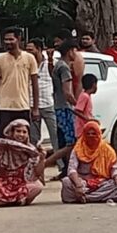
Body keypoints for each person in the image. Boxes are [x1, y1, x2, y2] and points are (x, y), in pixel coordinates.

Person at [0, 119, 45, 208]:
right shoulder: (2, 146)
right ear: (11, 132)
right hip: (3, 182)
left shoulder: (31, 150)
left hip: (21, 184)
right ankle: (15, 201)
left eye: (24, 132)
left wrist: (42, 159)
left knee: (38, 186)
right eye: (18, 131)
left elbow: (37, 173)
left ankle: (2, 202)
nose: (21, 134)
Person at [0, 27, 39, 137]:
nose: (8, 42)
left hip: (23, 107)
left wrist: (35, 108)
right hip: (5, 107)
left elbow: (35, 84)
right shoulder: (0, 60)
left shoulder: (29, 58)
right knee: (4, 138)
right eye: (6, 40)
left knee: (22, 139)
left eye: (11, 39)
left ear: (18, 39)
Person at [61, 121, 117, 203]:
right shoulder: (78, 149)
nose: (91, 136)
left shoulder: (107, 150)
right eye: (88, 134)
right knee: (66, 182)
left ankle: (86, 197)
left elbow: (114, 168)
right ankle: (95, 197)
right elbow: (71, 170)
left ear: (99, 134)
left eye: (93, 134)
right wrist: (78, 185)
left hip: (102, 183)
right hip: (82, 183)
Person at [49, 40, 79, 174]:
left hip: (58, 107)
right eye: (75, 51)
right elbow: (67, 93)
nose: (76, 54)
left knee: (64, 141)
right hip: (65, 108)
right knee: (70, 143)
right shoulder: (64, 68)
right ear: (70, 51)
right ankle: (47, 163)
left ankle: (66, 169)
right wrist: (78, 106)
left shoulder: (58, 65)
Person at [26, 38, 59, 155]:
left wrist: (50, 60)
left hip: (49, 104)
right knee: (33, 138)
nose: (28, 52)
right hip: (31, 104)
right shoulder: (26, 64)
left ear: (39, 49)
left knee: (55, 136)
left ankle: (60, 163)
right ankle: (34, 162)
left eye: (31, 50)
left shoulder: (52, 63)